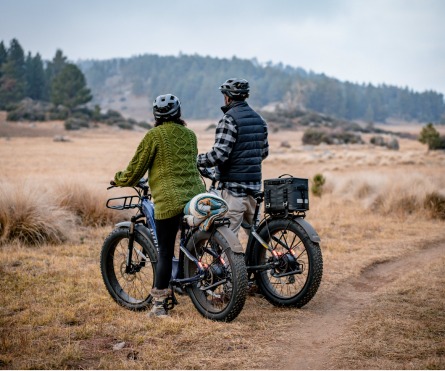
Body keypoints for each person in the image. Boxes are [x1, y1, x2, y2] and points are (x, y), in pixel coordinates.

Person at [112, 94, 205, 318]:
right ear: (179, 113)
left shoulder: (154, 136)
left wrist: (119, 179)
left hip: (169, 201)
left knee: (164, 251)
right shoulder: (190, 135)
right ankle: (194, 284)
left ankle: (160, 306)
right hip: (195, 197)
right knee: (191, 245)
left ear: (156, 116)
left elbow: (136, 169)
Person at [197, 78, 269, 238]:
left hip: (233, 191)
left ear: (227, 97)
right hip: (254, 190)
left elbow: (219, 155)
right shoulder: (260, 120)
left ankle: (233, 264)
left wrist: (198, 160)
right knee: (257, 240)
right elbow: (264, 153)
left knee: (228, 242)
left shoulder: (228, 119)